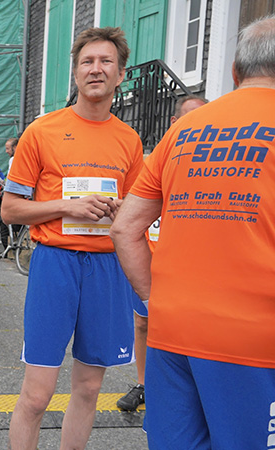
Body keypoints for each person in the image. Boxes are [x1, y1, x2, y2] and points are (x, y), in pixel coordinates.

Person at [110, 15, 275, 448]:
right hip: (256, 340)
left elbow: (125, 228)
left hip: (173, 331)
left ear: (236, 73)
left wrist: (154, 300)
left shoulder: (184, 129)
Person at [2, 27, 143, 450]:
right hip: (55, 264)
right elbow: (10, 209)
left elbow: (138, 214)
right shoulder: (42, 132)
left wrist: (121, 211)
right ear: (75, 73)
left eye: (105, 62)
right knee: (37, 393)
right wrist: (67, 207)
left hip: (106, 269)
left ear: (120, 74)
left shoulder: (130, 141)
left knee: (87, 390)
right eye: (87, 62)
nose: (95, 69)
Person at [115, 94, 207, 412]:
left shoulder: (212, 163)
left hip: (190, 265)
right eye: (189, 118)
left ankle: (185, 387)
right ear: (173, 123)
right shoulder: (157, 158)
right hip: (151, 258)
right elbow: (130, 217)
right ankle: (144, 384)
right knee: (144, 324)